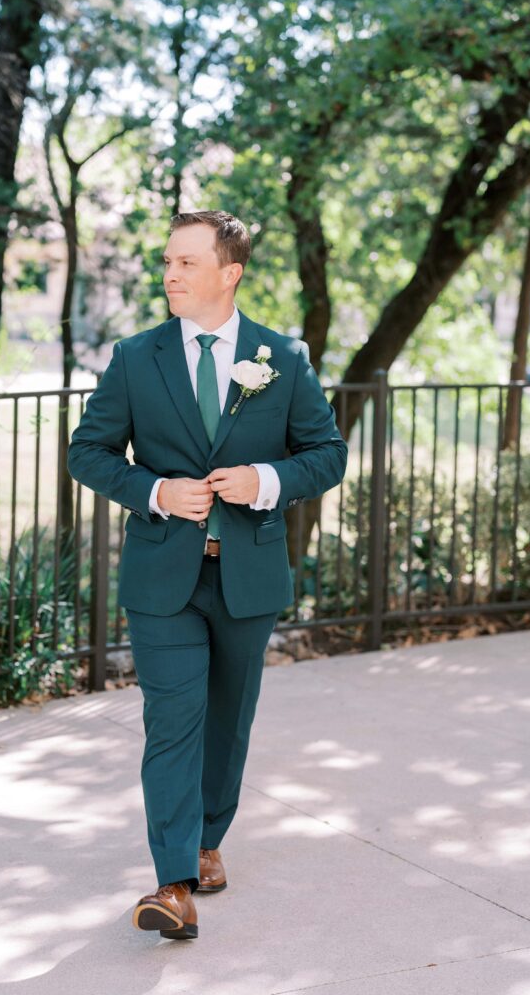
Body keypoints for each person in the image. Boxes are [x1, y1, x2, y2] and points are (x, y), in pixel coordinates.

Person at [67, 210, 348, 940]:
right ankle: (172, 883)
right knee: (171, 723)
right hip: (164, 578)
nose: (170, 274)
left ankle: (208, 837)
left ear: (230, 273)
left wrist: (259, 479)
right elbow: (88, 452)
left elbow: (326, 455)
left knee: (227, 722)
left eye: (187, 263)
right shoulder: (136, 357)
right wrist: (156, 491)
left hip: (247, 575)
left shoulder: (281, 358)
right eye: (167, 261)